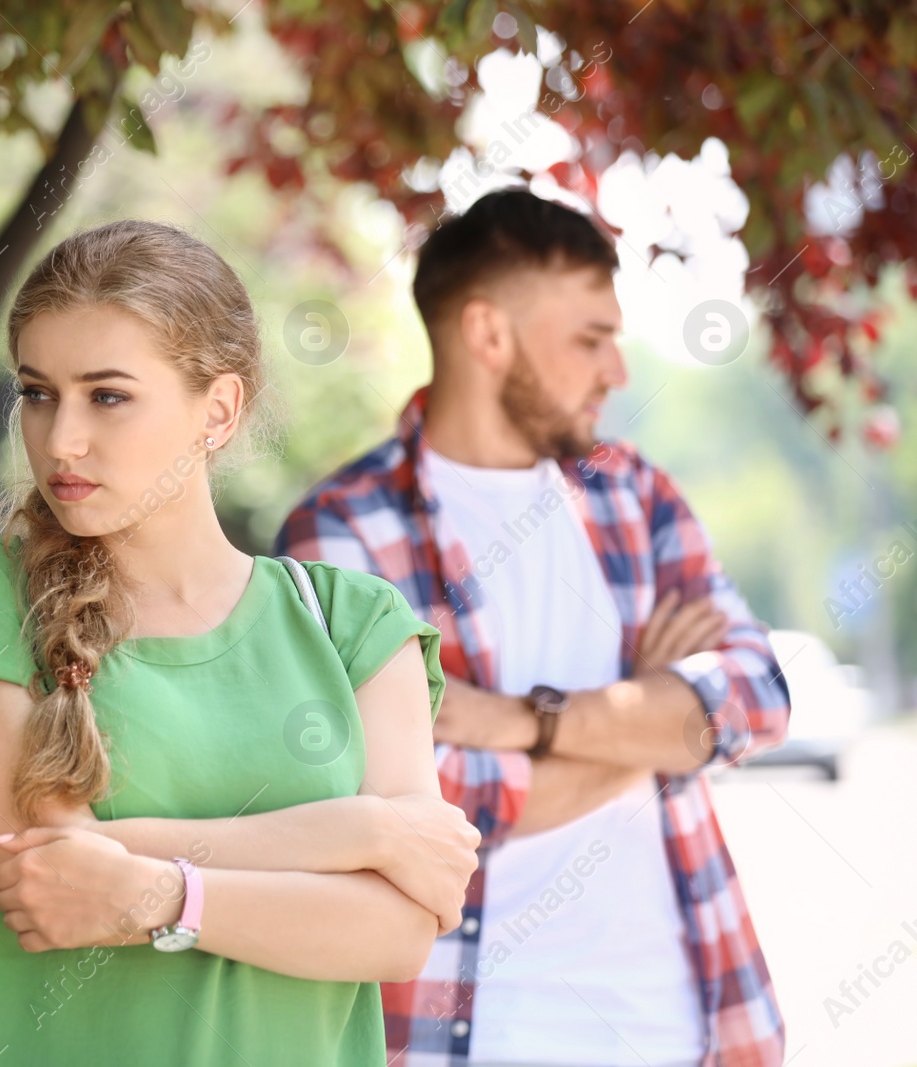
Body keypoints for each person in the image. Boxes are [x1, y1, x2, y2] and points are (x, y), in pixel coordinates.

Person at [0, 218, 481, 1067]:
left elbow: (396, 936)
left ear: (219, 409)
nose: (60, 440)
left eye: (108, 395)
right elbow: (49, 879)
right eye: (38, 392)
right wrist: (367, 832)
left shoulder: (354, 624)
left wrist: (158, 891)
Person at [276, 188, 790, 1067]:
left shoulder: (633, 493)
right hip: (465, 1037)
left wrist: (523, 721)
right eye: (591, 338)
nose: (617, 371)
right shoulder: (342, 536)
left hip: (690, 1031)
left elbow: (754, 698)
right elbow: (414, 808)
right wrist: (655, 725)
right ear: (488, 335)